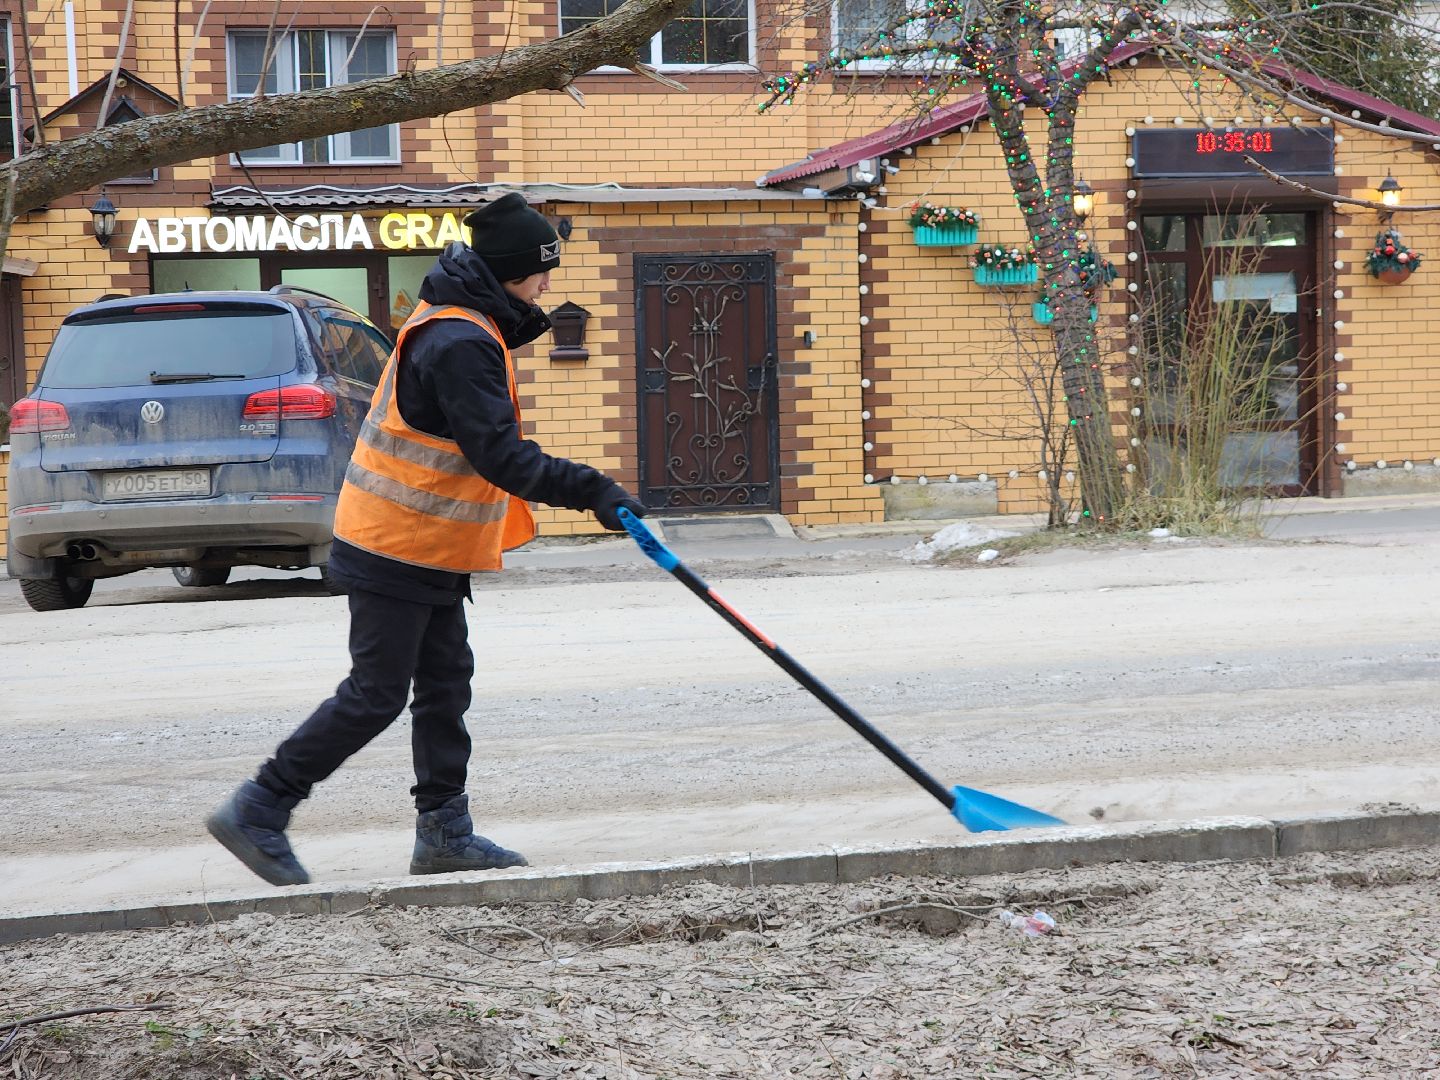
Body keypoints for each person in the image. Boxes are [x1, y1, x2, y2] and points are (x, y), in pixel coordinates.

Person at [206, 192, 645, 887]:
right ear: (510, 270)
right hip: (394, 542)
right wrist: (595, 490)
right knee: (375, 694)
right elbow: (501, 458)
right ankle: (260, 807)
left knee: (444, 686)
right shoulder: (459, 341)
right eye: (542, 270)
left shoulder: (467, 323)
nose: (548, 284)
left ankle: (444, 833)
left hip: (426, 544)